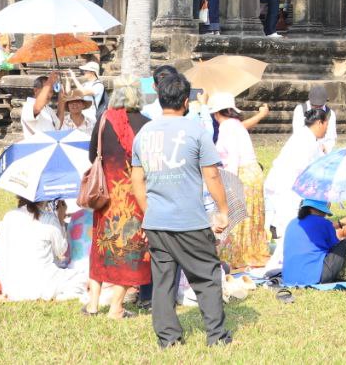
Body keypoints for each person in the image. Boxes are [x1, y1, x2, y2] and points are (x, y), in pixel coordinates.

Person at [130, 67, 232, 348]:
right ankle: (216, 336)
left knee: (163, 282)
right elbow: (212, 176)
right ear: (186, 101)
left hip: (157, 222)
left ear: (160, 97)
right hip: (190, 221)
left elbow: (136, 179)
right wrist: (223, 211)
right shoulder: (197, 131)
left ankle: (168, 339)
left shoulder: (143, 134)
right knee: (207, 276)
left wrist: (149, 211)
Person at [85, 81, 151, 318]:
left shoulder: (103, 120)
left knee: (101, 247)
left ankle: (93, 304)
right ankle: (116, 307)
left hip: (106, 196)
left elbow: (92, 155)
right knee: (129, 249)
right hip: (133, 196)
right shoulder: (146, 124)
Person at [265, 106, 330, 275]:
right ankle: (280, 264)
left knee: (290, 224)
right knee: (289, 224)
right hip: (287, 187)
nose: (327, 130)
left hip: (291, 187)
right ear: (320, 123)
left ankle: (286, 261)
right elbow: (305, 169)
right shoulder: (305, 140)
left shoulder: (309, 139)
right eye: (326, 125)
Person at [209, 92, 270, 269]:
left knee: (239, 215)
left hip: (243, 173)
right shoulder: (234, 124)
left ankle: (241, 254)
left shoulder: (227, 127)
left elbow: (233, 157)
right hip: (251, 173)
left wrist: (230, 183)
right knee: (249, 215)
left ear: (217, 113)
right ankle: (248, 251)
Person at [0, 197, 86, 300]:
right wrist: (61, 219)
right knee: (82, 277)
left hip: (12, 287)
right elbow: (61, 250)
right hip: (41, 284)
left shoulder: (10, 215)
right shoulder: (49, 219)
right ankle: (62, 296)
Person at [281, 199, 346, 286]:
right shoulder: (324, 223)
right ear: (314, 209)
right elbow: (335, 247)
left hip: (289, 278)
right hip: (314, 277)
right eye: (323, 212)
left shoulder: (292, 223)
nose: (324, 215)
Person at [291, 84, 337, 154]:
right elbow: (298, 134)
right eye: (314, 105)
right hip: (303, 149)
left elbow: (331, 138)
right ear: (309, 100)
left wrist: (325, 148)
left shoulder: (330, 114)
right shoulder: (300, 110)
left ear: (324, 102)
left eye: (319, 106)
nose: (317, 108)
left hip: (322, 152)